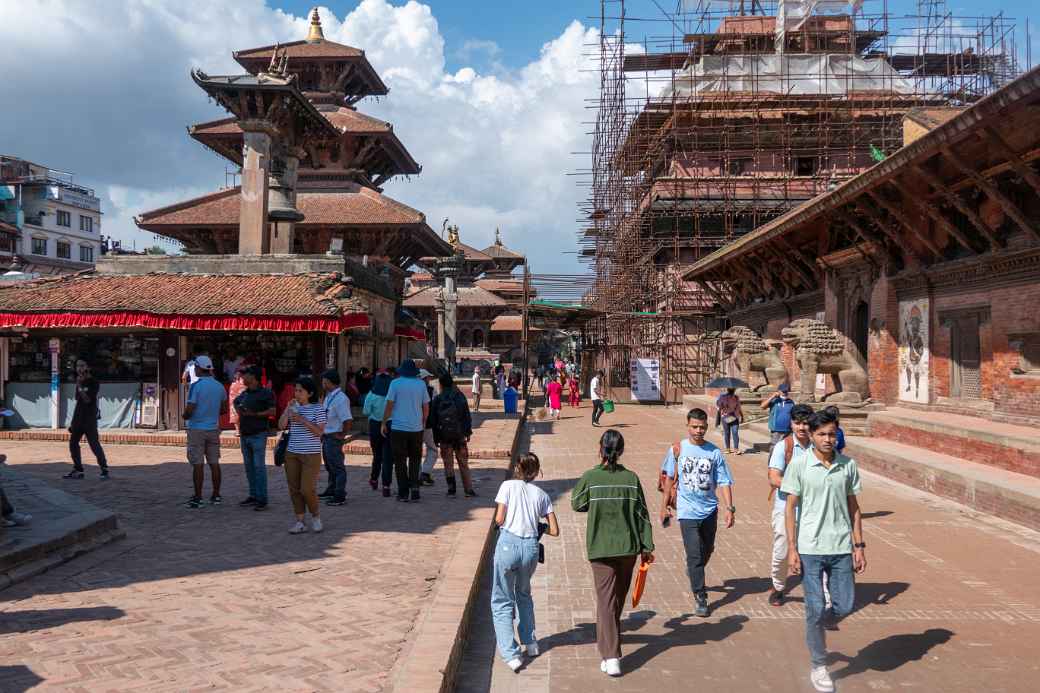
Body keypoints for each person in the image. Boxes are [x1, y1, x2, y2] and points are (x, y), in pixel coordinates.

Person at [783, 408, 866, 693]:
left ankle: (825, 621)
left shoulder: (848, 465)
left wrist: (859, 545)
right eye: (822, 434)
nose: (828, 439)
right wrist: (792, 548)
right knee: (814, 608)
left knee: (845, 604)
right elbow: (790, 508)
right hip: (810, 547)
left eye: (832, 434)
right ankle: (819, 664)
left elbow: (855, 508)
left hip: (841, 546)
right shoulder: (800, 464)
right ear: (813, 435)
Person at [571, 430, 655, 678]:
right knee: (615, 601)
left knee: (607, 603)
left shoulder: (591, 477)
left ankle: (611, 655)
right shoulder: (631, 479)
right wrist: (647, 546)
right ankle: (608, 649)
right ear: (621, 450)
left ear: (600, 449)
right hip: (628, 548)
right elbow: (642, 514)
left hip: (601, 549)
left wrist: (595, 503)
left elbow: (577, 503)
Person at [659, 408, 735, 618]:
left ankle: (694, 569)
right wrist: (664, 506)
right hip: (687, 510)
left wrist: (730, 508)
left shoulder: (714, 452)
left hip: (710, 509)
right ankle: (700, 596)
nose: (698, 431)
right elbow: (668, 480)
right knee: (694, 555)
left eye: (702, 427)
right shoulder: (677, 449)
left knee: (707, 549)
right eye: (694, 427)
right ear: (687, 425)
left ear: (707, 427)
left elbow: (724, 481)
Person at [492, 453, 559, 671]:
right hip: (529, 548)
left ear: (517, 468)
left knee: (502, 599)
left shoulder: (507, 486)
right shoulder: (542, 494)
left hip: (508, 544)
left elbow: (499, 519)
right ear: (536, 471)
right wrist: (540, 527)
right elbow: (555, 530)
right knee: (523, 593)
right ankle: (530, 643)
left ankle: (511, 654)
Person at [767, 403, 814, 606]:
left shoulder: (818, 446)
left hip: (812, 510)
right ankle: (778, 587)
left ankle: (817, 592)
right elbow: (774, 478)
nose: (802, 428)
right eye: (797, 423)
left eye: (806, 423)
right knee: (782, 551)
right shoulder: (783, 446)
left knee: (813, 552)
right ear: (791, 424)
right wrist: (799, 487)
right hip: (785, 508)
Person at [278, 377, 327, 534]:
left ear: (310, 393)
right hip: (292, 453)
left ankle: (316, 516)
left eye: (301, 391)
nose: (297, 394)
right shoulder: (293, 406)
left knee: (307, 489)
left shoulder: (318, 409)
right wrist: (287, 410)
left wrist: (301, 419)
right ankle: (300, 521)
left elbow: (319, 432)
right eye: (296, 390)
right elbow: (281, 425)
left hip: (311, 454)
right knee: (294, 489)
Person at [381, 359, 430, 502]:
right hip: (416, 428)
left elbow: (389, 405)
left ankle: (403, 492)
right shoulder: (421, 384)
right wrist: (424, 421)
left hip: (398, 428)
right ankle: (415, 489)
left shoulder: (395, 383)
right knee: (415, 459)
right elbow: (426, 406)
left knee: (400, 461)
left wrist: (384, 422)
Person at [182, 355, 227, 508]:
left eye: (195, 367)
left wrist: (185, 416)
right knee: (214, 463)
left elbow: (190, 408)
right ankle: (216, 495)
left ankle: (198, 497)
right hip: (213, 428)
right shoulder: (219, 386)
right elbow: (223, 409)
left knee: (198, 464)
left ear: (199, 368)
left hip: (197, 429)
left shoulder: (196, 386)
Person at [234, 365, 276, 511]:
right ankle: (253, 495)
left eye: (245, 375)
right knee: (249, 468)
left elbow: (272, 411)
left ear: (253, 377)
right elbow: (236, 403)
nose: (242, 378)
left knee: (258, 467)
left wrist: (255, 414)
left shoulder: (266, 393)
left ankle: (262, 499)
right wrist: (241, 410)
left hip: (258, 434)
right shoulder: (244, 394)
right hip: (245, 434)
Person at [429, 372, 476, 497]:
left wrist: (436, 437)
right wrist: (468, 432)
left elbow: (433, 420)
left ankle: (451, 489)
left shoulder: (438, 399)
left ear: (441, 384)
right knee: (463, 463)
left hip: (444, 436)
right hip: (459, 435)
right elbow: (466, 416)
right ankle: (468, 490)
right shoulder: (459, 396)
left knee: (448, 463)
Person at [64, 359, 110, 480]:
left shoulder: (93, 382)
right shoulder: (79, 381)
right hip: (78, 417)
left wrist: (79, 385)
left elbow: (88, 399)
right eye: (77, 366)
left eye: (82, 365)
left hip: (89, 418)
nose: (79, 368)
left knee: (94, 444)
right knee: (73, 443)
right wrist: (73, 422)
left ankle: (104, 469)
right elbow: (77, 399)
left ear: (87, 367)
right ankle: (78, 469)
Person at [317, 370, 352, 507]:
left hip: (333, 436)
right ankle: (331, 489)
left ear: (328, 382)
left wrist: (342, 434)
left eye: (324, 381)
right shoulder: (329, 396)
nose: (322, 383)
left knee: (337, 466)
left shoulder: (341, 399)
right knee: (329, 465)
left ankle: (339, 494)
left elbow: (347, 420)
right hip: (326, 435)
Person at [364, 372, 392, 495]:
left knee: (377, 455)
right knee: (388, 458)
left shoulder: (371, 395)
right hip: (390, 425)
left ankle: (374, 479)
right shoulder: (392, 395)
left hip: (375, 426)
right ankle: (386, 486)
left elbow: (366, 411)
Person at [419, 369, 439, 487]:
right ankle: (425, 473)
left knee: (415, 450)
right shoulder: (431, 390)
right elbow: (434, 408)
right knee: (432, 449)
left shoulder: (412, 390)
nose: (429, 380)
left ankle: (416, 474)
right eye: (427, 378)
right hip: (427, 424)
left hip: (413, 425)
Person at [715, 387, 744, 454]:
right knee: (734, 433)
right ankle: (735, 449)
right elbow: (739, 408)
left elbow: (718, 405)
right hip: (734, 417)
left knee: (727, 433)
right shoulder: (735, 397)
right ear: (734, 390)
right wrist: (742, 416)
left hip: (726, 417)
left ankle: (728, 449)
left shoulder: (723, 397)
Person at [227, 368, 247, 435]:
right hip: (242, 401)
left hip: (236, 400)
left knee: (236, 413)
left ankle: (238, 430)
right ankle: (240, 430)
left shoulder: (234, 383)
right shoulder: (246, 382)